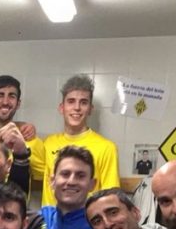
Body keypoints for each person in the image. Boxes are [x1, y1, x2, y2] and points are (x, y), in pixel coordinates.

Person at [39, 74, 119, 206]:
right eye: (71, 101)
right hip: (51, 219)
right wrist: (23, 126)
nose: (77, 107)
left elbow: (110, 198)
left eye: (83, 102)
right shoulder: (48, 143)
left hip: (87, 218)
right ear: (61, 108)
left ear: (90, 109)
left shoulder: (106, 148)